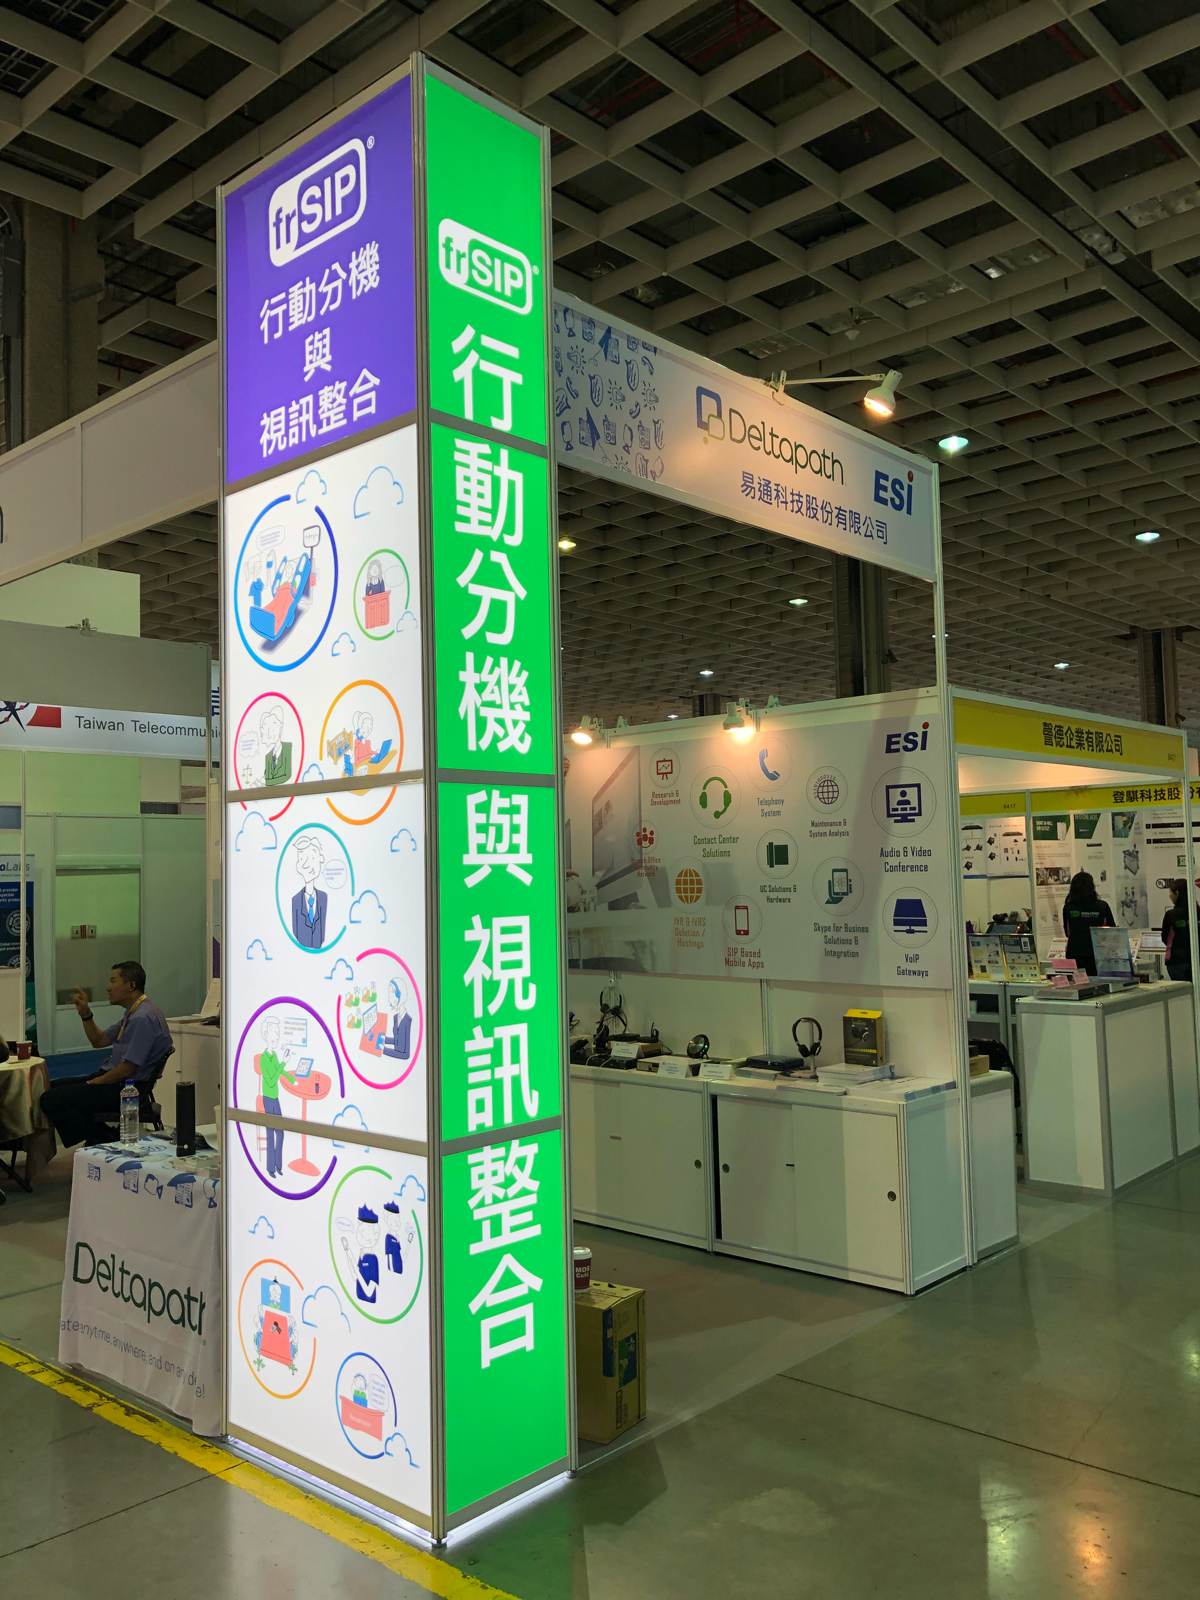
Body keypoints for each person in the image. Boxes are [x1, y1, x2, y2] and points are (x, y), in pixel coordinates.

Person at [40, 962, 172, 1148]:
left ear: (131, 985)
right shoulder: (136, 1012)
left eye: (113, 981)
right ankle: (101, 1135)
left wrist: (93, 1083)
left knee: (50, 1099)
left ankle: (103, 1137)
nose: (108, 988)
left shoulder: (141, 1018)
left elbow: (127, 1069)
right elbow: (99, 1040)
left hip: (124, 1089)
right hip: (115, 1081)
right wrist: (86, 1014)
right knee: (49, 1087)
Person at [257, 1015, 296, 1176]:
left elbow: (280, 1071)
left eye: (278, 1032)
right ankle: (270, 1168)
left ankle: (278, 1166)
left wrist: (292, 1079)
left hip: (275, 1098)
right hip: (268, 1098)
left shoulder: (274, 1056)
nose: (276, 1036)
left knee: (280, 1132)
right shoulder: (264, 1059)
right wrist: (284, 1063)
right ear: (266, 1034)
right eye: (273, 1032)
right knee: (270, 1133)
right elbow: (272, 1080)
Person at [1062, 871, 1115, 976]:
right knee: (1098, 981)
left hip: (1075, 952)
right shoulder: (1102, 906)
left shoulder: (1068, 907)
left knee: (1077, 981)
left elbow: (1068, 932)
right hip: (1098, 953)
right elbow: (1111, 931)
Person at [290, 835, 327, 949]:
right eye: (302, 859)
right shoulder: (295, 901)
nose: (306, 864)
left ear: (320, 859)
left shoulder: (323, 898)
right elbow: (295, 933)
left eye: (312, 858)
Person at [1162, 880, 1196, 983]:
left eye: (1170, 892)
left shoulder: (1171, 915)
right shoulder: (1197, 912)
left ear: (1177, 893)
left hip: (1177, 961)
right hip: (1195, 960)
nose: (1169, 895)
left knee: (1182, 991)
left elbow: (1165, 938)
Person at [380, 975, 412, 1061]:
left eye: (391, 995)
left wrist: (384, 1050)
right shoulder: (395, 1018)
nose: (389, 999)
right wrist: (384, 1039)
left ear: (399, 994)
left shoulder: (408, 1021)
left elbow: (406, 1054)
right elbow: (398, 1041)